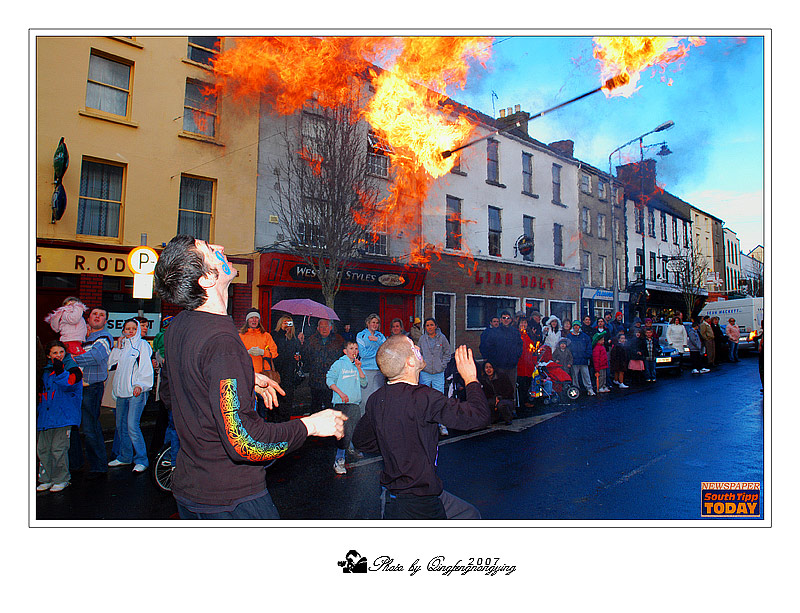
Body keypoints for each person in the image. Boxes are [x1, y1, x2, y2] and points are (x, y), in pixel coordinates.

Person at [153, 235, 344, 519]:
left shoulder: (179, 325)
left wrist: (242, 375)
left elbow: (175, 393)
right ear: (205, 279)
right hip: (231, 500)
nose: (220, 247)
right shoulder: (221, 342)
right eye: (210, 250)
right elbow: (247, 443)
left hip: (191, 490)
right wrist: (311, 425)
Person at [352, 337, 490, 519]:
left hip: (395, 497)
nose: (418, 347)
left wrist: (394, 446)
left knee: (469, 514)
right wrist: (471, 379)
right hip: (420, 502)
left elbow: (361, 441)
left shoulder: (377, 399)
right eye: (413, 346)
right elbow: (478, 416)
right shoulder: (425, 398)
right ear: (409, 361)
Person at [68, 306, 114, 477]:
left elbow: (96, 356)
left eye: (101, 315)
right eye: (94, 314)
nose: (97, 317)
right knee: (73, 427)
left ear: (105, 321)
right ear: (88, 319)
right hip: (76, 388)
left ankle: (98, 467)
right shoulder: (80, 338)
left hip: (91, 389)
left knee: (90, 428)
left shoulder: (104, 337)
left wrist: (71, 359)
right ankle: (76, 463)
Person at [106, 319, 154, 473]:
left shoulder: (143, 345)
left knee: (132, 426)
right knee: (121, 425)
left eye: (133, 328)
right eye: (127, 329)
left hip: (135, 393)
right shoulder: (123, 345)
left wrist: (141, 384)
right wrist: (118, 346)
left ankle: (142, 459)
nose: (130, 331)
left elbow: (146, 366)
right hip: (121, 393)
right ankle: (125, 457)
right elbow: (111, 364)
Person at [37, 341, 83, 492]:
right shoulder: (44, 371)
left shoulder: (72, 370)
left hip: (63, 417)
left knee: (58, 448)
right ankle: (45, 478)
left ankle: (62, 478)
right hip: (46, 417)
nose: (58, 356)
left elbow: (69, 384)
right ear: (48, 355)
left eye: (61, 352)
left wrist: (60, 371)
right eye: (55, 353)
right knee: (43, 449)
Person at [326, 341, 368, 475]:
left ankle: (351, 448)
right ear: (345, 351)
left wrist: (360, 368)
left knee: (354, 429)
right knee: (343, 432)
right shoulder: (339, 364)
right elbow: (329, 380)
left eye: (356, 349)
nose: (354, 351)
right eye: (351, 348)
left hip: (354, 403)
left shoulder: (357, 365)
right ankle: (339, 460)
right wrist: (340, 393)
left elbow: (364, 383)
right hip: (342, 403)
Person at [301, 318, 345, 413]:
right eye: (321, 327)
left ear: (331, 327)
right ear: (317, 328)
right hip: (316, 379)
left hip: (332, 379)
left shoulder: (338, 340)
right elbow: (305, 357)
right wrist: (301, 343)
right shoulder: (311, 340)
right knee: (315, 406)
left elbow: (342, 358)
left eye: (326, 327)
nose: (324, 329)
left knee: (330, 407)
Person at [479, 310, 523, 398]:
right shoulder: (494, 332)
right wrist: (493, 359)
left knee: (511, 387)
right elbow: (487, 346)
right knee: (499, 387)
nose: (506, 320)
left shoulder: (515, 332)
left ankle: (511, 408)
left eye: (508, 318)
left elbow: (519, 346)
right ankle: (499, 407)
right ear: (501, 319)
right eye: (504, 318)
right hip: (499, 365)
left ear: (511, 320)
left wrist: (516, 357)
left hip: (512, 366)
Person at [356, 313, 387, 417]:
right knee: (365, 399)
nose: (375, 325)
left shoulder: (380, 336)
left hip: (378, 370)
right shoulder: (361, 335)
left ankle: (376, 421)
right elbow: (363, 354)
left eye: (377, 323)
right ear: (368, 323)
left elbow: (386, 348)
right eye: (373, 322)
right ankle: (362, 420)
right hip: (366, 370)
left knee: (378, 399)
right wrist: (378, 352)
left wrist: (377, 341)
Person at [272, 315, 302, 421]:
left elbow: (299, 354)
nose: (287, 326)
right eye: (285, 323)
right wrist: (282, 332)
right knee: (276, 402)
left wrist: (298, 357)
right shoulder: (275, 335)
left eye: (289, 323)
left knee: (287, 401)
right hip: (277, 373)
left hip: (289, 375)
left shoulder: (294, 339)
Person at [239, 308, 278, 376]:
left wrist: (263, 352)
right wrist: (247, 352)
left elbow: (274, 353)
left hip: (264, 372)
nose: (254, 320)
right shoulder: (240, 336)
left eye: (256, 318)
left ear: (259, 320)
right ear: (247, 320)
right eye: (251, 318)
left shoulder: (266, 336)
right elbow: (235, 353)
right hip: (245, 371)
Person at [567, 320, 594, 395]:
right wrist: (570, 357)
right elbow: (568, 348)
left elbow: (589, 346)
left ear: (580, 327)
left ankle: (589, 389)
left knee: (586, 375)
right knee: (575, 376)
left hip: (583, 359)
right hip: (574, 360)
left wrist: (587, 355)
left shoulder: (585, 336)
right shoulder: (569, 336)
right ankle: (576, 389)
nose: (576, 327)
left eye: (577, 325)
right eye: (575, 325)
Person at [516, 318, 537, 408]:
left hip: (528, 365)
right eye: (521, 323)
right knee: (520, 384)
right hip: (519, 364)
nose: (523, 324)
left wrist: (534, 361)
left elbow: (534, 349)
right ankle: (520, 402)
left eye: (525, 323)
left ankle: (525, 401)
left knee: (527, 383)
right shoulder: (516, 334)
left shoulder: (529, 335)